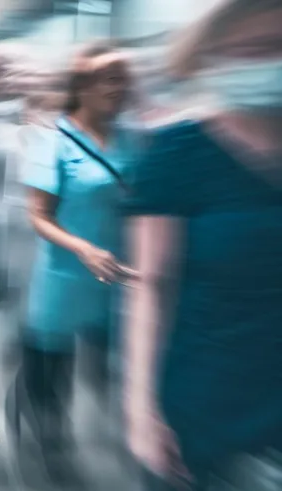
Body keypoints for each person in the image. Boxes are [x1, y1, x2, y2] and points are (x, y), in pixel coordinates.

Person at [123, 1, 282, 489]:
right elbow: (149, 289)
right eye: (253, 49)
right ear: (215, 57)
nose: (269, 61)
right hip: (205, 407)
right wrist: (139, 408)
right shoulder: (178, 152)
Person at [12, 42, 134, 483]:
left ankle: (128, 442)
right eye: (110, 78)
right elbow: (38, 215)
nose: (121, 88)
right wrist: (83, 248)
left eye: (125, 79)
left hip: (118, 280)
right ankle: (43, 448)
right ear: (82, 86)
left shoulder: (133, 139)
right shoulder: (54, 141)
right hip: (64, 277)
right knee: (50, 376)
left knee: (115, 372)